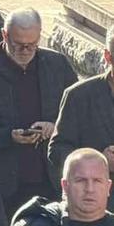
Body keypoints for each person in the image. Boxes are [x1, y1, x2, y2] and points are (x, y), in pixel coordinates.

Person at [0, 7, 78, 213]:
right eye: (18, 45)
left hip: (50, 178)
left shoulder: (57, 65)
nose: (25, 51)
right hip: (2, 183)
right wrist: (8, 136)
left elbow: (77, 115)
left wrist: (54, 127)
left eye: (32, 45)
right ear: (4, 35)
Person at [49, 28, 114, 213]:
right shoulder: (78, 96)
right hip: (93, 209)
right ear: (108, 56)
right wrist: (98, 162)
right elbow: (57, 150)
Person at [12, 148, 114, 225]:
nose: (89, 189)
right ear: (65, 186)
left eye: (97, 181)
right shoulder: (36, 223)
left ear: (108, 187)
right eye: (81, 181)